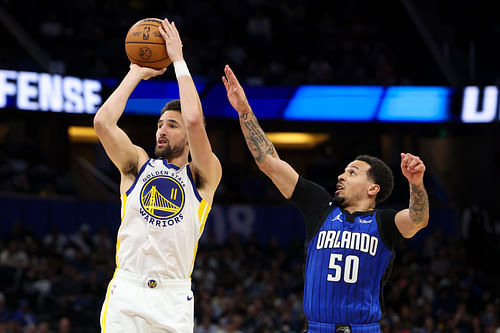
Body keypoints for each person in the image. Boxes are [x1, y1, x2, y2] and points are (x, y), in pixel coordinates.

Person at [222, 65, 429, 333]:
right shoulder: (320, 206)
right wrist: (244, 112)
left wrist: (416, 183)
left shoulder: (385, 222)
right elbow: (270, 162)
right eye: (343, 171)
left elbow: (417, 220)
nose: (341, 176)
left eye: (352, 172)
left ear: (373, 188)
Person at [94, 18, 222, 332]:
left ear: (190, 137)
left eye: (171, 125)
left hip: (173, 297)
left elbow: (194, 120)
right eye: (160, 124)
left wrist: (178, 59)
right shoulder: (137, 164)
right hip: (128, 288)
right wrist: (135, 72)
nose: (162, 130)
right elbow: (103, 123)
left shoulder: (203, 176)